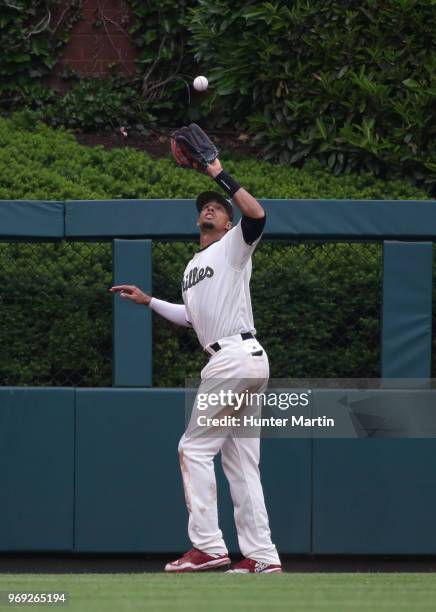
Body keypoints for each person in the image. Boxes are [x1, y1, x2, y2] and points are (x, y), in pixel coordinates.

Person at [110, 155, 282, 574]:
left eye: (218, 208)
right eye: (205, 206)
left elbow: (257, 214)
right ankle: (261, 555)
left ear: (228, 224)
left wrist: (217, 172)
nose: (210, 208)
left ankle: (207, 546)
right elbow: (190, 317)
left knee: (193, 447)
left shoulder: (234, 246)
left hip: (233, 359)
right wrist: (149, 301)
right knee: (240, 463)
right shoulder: (194, 266)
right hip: (243, 361)